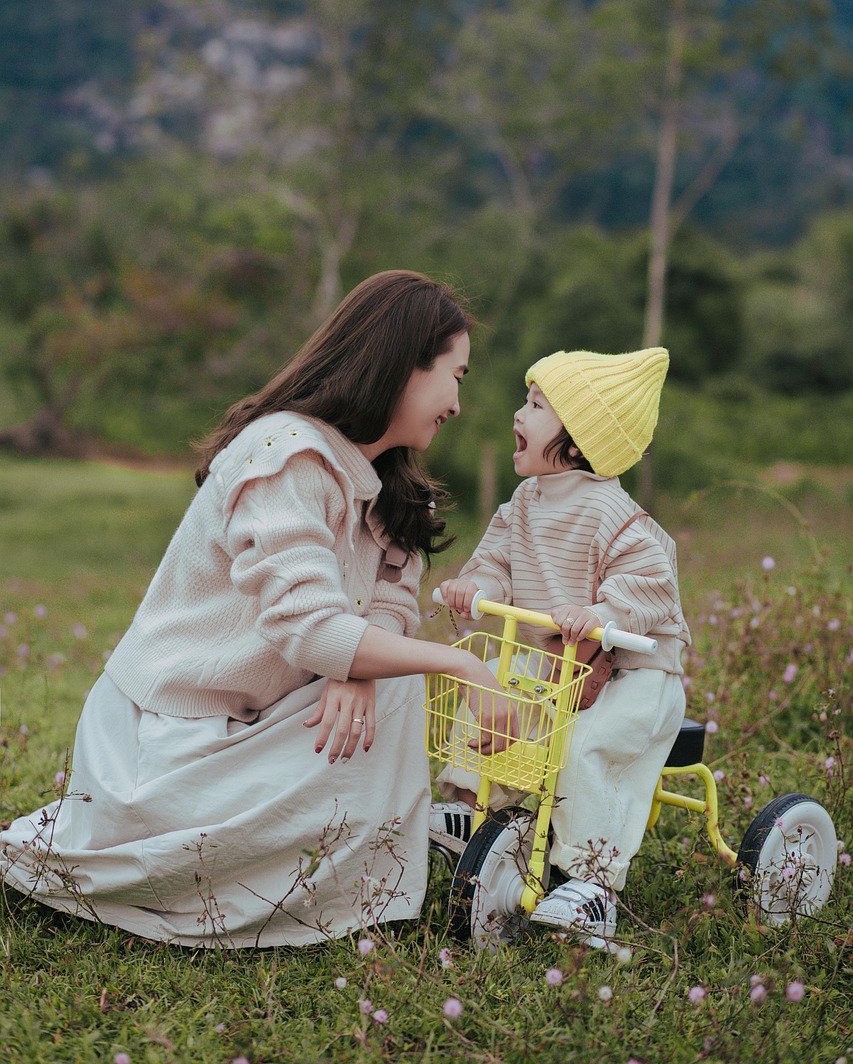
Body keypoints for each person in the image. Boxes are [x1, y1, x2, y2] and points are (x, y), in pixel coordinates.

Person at [0, 270, 511, 948]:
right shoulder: (286, 455)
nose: (456, 402)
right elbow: (307, 626)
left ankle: (358, 860)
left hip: (259, 718)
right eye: (456, 375)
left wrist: (357, 666)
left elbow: (390, 599)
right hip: (172, 736)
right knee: (405, 686)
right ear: (400, 363)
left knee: (389, 687)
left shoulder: (390, 483)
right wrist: (462, 668)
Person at [431, 347, 690, 948]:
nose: (519, 413)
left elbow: (650, 582)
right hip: (553, 666)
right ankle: (474, 810)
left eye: (537, 404)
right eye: (527, 399)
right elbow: (495, 564)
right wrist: (475, 589)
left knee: (581, 751)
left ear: (577, 437)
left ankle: (594, 884)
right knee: (491, 704)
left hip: (631, 676)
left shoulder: (617, 514)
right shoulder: (522, 504)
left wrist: (602, 612)